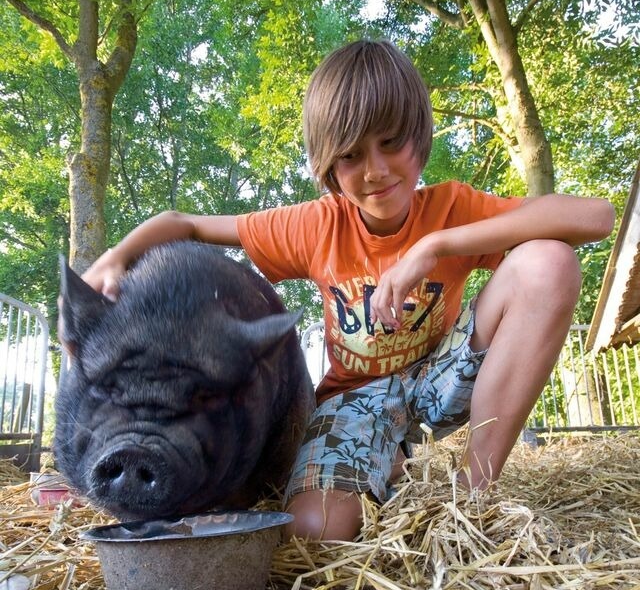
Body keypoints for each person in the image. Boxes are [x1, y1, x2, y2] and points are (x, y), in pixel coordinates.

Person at [82, 39, 615, 542]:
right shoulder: (316, 225)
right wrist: (114, 257)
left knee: (547, 260)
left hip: (441, 377)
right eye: (351, 156)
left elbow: (594, 216)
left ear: (419, 135)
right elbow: (188, 224)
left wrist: (436, 246)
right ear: (328, 164)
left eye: (390, 143)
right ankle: (391, 465)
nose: (376, 171)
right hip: (354, 401)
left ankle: (472, 500)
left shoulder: (450, 209)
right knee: (317, 529)